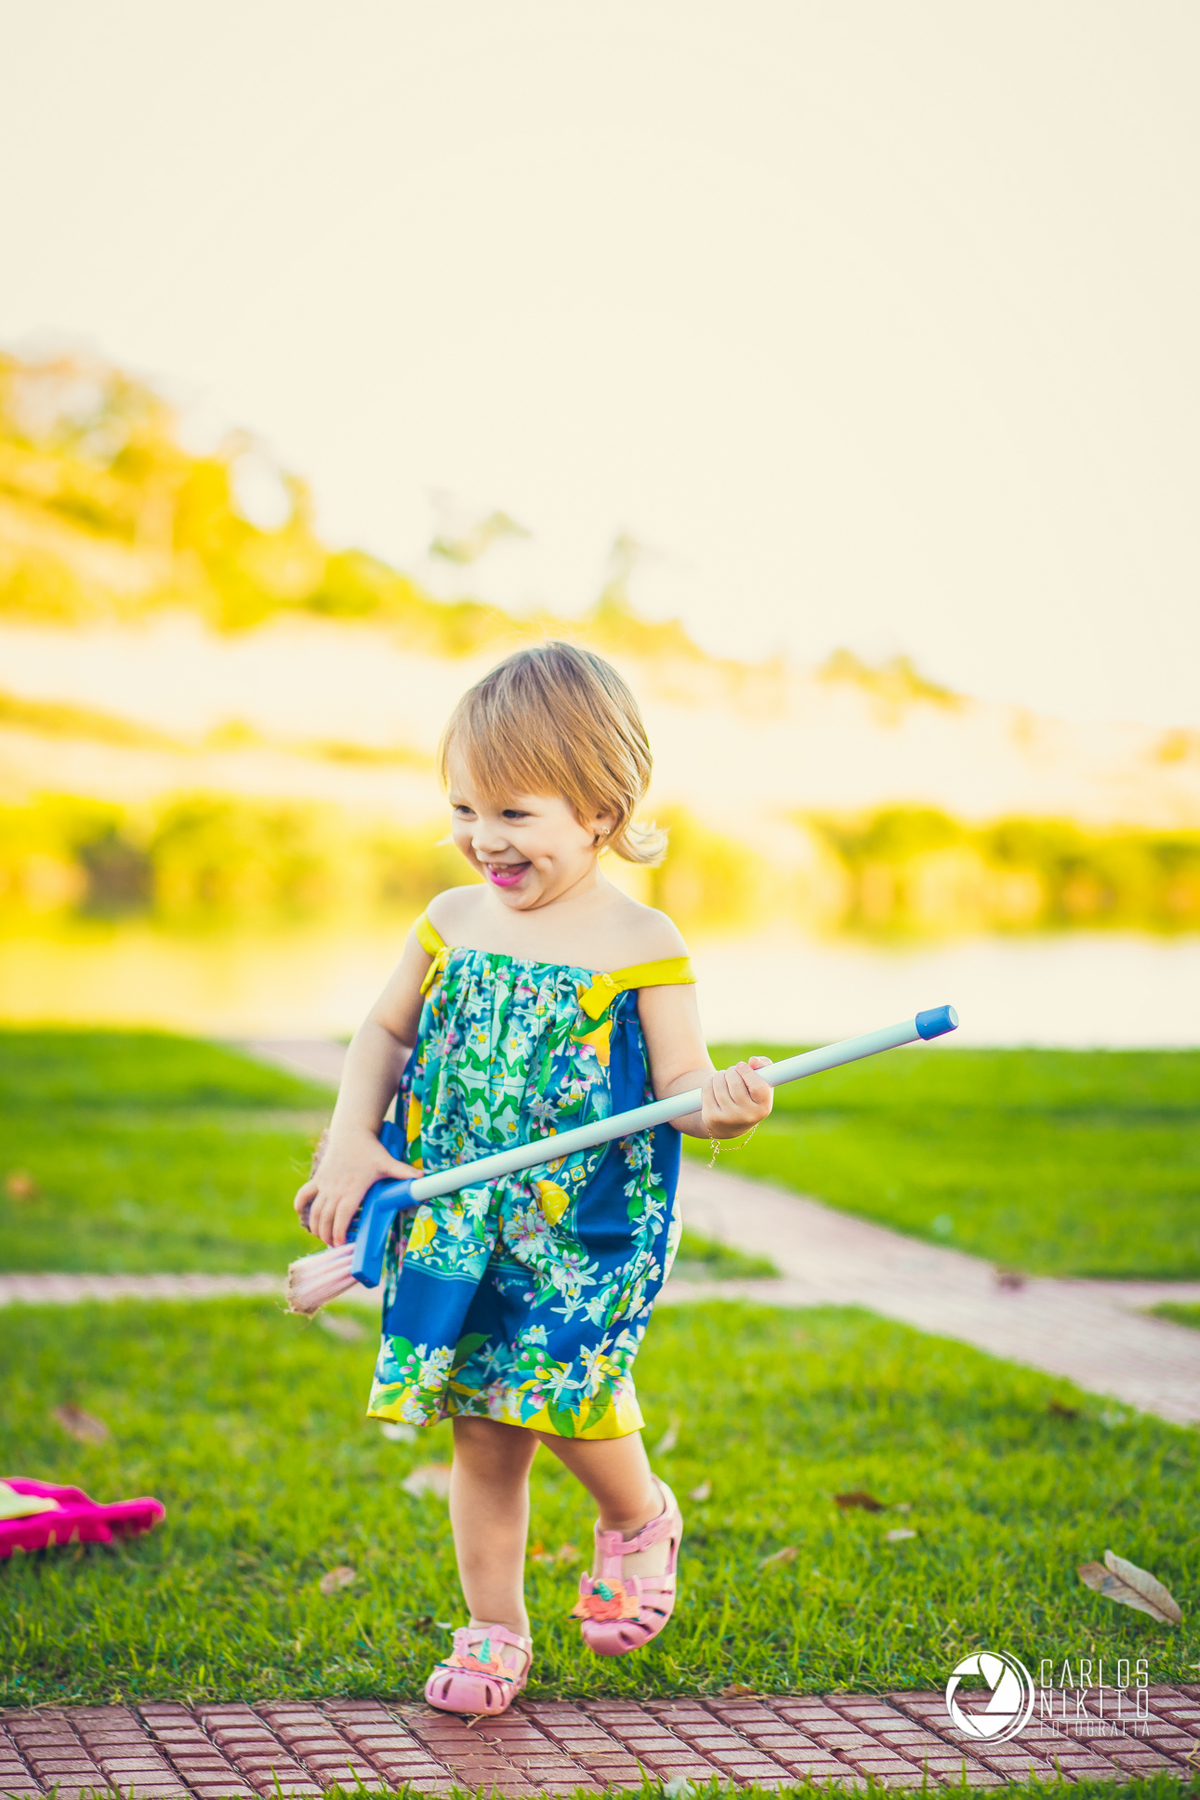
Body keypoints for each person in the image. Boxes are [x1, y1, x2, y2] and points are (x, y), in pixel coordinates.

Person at [294, 641, 772, 1715]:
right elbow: (382, 1027)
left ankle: (641, 1515)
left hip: (582, 1232)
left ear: (601, 808)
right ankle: (493, 1631)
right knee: (483, 1423)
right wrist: (350, 1140)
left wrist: (726, 1109)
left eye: (514, 813)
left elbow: (687, 1087)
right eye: (464, 809)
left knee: (568, 1392)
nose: (481, 841)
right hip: (462, 1215)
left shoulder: (641, 941)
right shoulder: (450, 921)